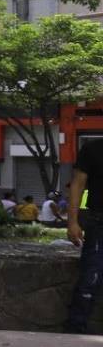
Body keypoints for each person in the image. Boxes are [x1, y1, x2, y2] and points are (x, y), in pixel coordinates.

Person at [66, 140, 103, 333]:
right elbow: (77, 185)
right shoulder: (93, 148)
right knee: (90, 278)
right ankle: (74, 333)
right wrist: (72, 221)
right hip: (99, 224)